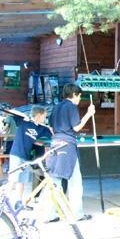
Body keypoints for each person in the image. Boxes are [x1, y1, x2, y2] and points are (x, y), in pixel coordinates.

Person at [47, 83, 96, 222]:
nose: (79, 99)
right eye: (79, 96)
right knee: (75, 181)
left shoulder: (56, 107)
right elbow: (76, 127)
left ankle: (50, 214)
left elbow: (50, 126)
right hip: (67, 146)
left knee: (55, 180)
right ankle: (77, 214)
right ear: (74, 94)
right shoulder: (71, 107)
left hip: (54, 144)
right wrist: (89, 114)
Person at [8, 106, 51, 205]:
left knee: (22, 180)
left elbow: (47, 137)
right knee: (13, 179)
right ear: (39, 115)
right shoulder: (23, 122)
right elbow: (11, 111)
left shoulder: (42, 128)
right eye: (44, 116)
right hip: (16, 154)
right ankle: (5, 201)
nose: (45, 119)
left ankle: (19, 202)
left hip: (26, 157)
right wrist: (25, 116)